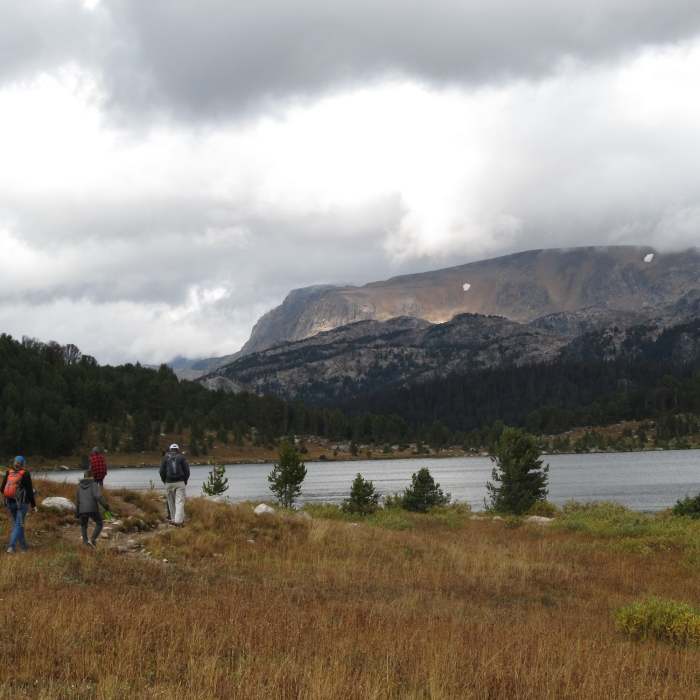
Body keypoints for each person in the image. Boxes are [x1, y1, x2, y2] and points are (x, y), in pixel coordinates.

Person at [2, 456, 37, 554]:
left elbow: (2, 488)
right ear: (23, 464)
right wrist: (34, 505)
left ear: (14, 463)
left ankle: (23, 547)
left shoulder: (9, 472)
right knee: (18, 524)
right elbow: (30, 491)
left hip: (10, 502)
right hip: (22, 504)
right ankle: (11, 547)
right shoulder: (25, 473)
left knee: (19, 525)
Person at [76, 469, 111, 549]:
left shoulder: (79, 486)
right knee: (99, 523)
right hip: (92, 508)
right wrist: (105, 505)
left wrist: (77, 512)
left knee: (83, 524)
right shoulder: (94, 484)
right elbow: (98, 496)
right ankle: (93, 540)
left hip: (82, 509)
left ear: (84, 476)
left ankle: (85, 542)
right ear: (92, 476)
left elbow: (77, 500)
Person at [159, 443, 189, 526]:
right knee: (179, 502)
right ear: (178, 450)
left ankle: (173, 519)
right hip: (180, 482)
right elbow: (187, 471)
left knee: (171, 502)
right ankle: (178, 521)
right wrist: (185, 481)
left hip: (168, 483)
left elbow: (161, 471)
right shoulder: (182, 457)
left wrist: (164, 481)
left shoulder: (165, 458)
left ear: (170, 449)